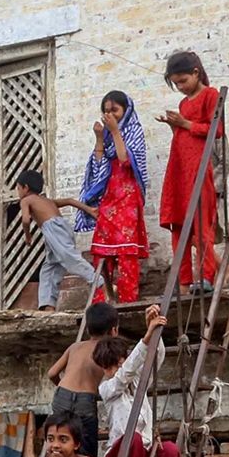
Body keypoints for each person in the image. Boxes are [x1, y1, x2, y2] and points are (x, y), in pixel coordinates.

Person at [96, 306, 180, 457]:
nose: (115, 369)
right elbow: (124, 375)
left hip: (140, 454)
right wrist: (145, 338)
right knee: (131, 439)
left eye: (118, 363)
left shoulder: (137, 384)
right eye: (109, 367)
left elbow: (156, 358)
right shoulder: (107, 388)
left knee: (170, 450)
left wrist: (153, 331)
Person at [78, 91, 152, 304]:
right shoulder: (108, 136)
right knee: (102, 253)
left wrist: (116, 132)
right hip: (109, 199)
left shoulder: (134, 131)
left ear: (125, 110)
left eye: (115, 110)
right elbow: (99, 164)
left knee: (126, 254)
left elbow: (125, 160)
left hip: (127, 198)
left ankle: (128, 300)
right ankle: (100, 301)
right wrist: (100, 138)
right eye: (106, 110)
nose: (110, 114)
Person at [157, 51, 222, 293]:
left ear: (196, 72)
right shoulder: (183, 104)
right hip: (180, 167)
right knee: (178, 223)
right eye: (176, 84)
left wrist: (185, 124)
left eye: (183, 81)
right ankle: (182, 280)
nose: (181, 87)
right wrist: (175, 125)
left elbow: (216, 130)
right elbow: (184, 135)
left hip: (199, 166)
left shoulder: (210, 95)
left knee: (200, 221)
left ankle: (205, 275)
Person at [14, 170, 101, 312]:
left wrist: (27, 235)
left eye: (18, 188)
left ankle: (99, 282)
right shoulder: (46, 200)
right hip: (61, 228)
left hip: (53, 230)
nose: (18, 192)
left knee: (71, 260)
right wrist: (89, 210)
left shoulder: (26, 200)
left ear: (25, 188)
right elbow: (70, 201)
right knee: (49, 268)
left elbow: (25, 220)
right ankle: (48, 305)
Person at [47, 301, 120, 457]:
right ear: (114, 331)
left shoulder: (75, 347)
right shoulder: (107, 351)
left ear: (87, 328)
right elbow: (116, 379)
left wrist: (62, 388)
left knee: (63, 437)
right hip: (85, 400)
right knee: (86, 448)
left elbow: (52, 373)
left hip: (62, 395)